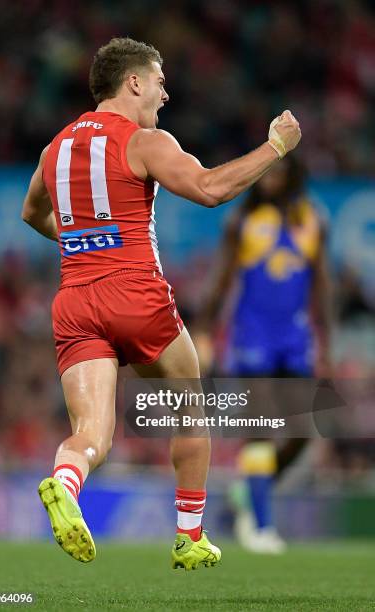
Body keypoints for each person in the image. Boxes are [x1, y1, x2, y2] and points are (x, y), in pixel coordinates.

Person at [21, 37, 301, 568]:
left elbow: (32, 213)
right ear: (133, 83)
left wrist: (82, 239)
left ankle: (64, 480)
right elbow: (210, 188)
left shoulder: (53, 149)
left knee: (91, 434)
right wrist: (276, 147)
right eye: (159, 80)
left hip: (75, 300)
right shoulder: (145, 140)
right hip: (134, 291)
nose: (165, 93)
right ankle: (190, 537)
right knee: (190, 405)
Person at [196, 156, 331, 553]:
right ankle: (261, 525)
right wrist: (203, 328)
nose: (269, 178)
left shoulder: (313, 220)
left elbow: (322, 287)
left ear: (293, 175)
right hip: (251, 334)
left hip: (296, 336)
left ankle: (251, 490)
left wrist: (329, 344)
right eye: (265, 171)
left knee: (305, 430)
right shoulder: (241, 221)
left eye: (278, 171)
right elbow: (221, 280)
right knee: (260, 422)